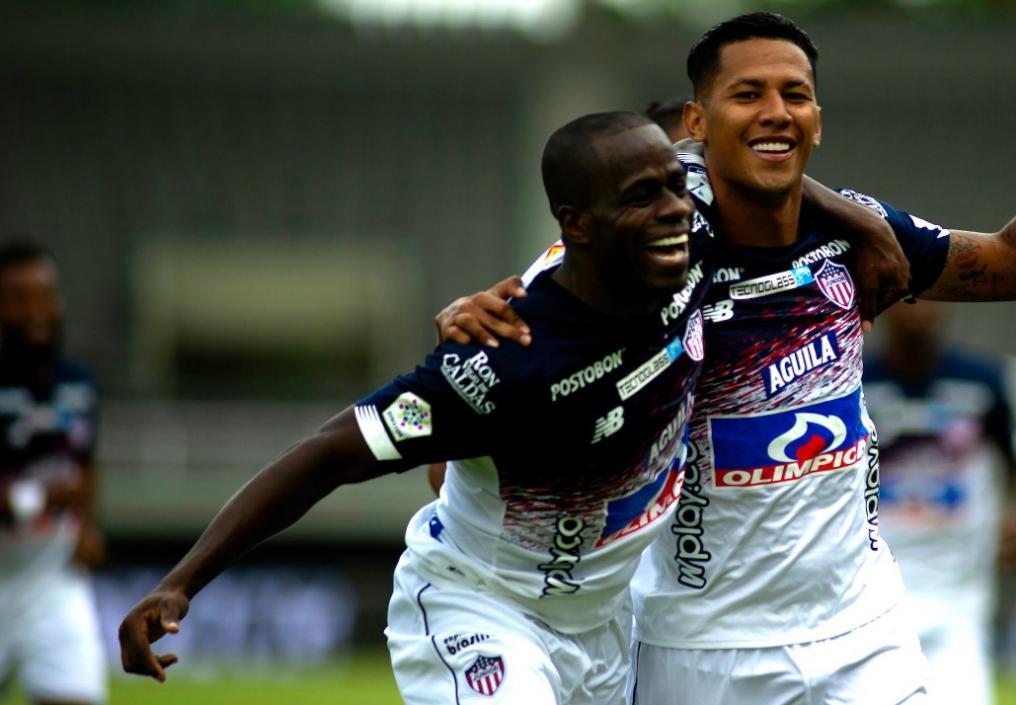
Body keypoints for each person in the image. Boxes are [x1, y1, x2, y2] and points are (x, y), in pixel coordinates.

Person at [439, 11, 1016, 704]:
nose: (776, 111)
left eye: (795, 94)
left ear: (818, 121)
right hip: (700, 648)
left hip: (865, 632)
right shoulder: (650, 261)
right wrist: (460, 328)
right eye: (748, 93)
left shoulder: (855, 238)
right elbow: (499, 362)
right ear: (695, 124)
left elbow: (1013, 264)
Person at [118, 111, 710, 705]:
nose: (676, 208)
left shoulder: (696, 248)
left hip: (606, 622)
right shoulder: (505, 358)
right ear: (578, 225)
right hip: (483, 607)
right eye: (642, 196)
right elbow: (329, 454)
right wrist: (180, 583)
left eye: (676, 187)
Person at [864, 300, 1016, 705]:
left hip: (957, 588)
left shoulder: (983, 378)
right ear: (886, 303)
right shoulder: (853, 379)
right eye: (909, 298)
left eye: (929, 298)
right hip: (874, 584)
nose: (919, 310)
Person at [0, 243, 107, 705]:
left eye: (46, 295)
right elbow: (59, 488)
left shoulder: (77, 383)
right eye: (20, 297)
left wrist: (88, 524)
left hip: (53, 578)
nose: (38, 310)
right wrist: (38, 499)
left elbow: (86, 466)